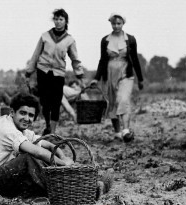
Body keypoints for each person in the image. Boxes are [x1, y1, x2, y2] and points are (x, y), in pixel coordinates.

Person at [0, 93, 74, 200]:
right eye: (23, 113)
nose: (26, 118)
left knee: (34, 167)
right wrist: (64, 164)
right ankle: (59, 192)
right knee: (27, 158)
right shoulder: (7, 129)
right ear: (12, 112)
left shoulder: (21, 130)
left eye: (31, 115)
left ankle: (53, 190)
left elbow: (50, 146)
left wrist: (63, 157)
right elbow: (38, 152)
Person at [25, 8, 84, 135]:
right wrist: (29, 72)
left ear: (65, 21)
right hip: (43, 71)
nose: (58, 22)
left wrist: (80, 75)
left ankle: (53, 131)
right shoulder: (45, 36)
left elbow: (75, 59)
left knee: (56, 102)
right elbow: (36, 54)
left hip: (58, 74)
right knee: (45, 102)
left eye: (61, 19)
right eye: (56, 19)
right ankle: (47, 125)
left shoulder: (69, 40)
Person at [91, 12, 144, 142]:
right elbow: (102, 60)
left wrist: (140, 78)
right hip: (109, 74)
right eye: (114, 23)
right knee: (112, 103)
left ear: (123, 24)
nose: (116, 26)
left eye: (119, 23)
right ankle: (117, 132)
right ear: (111, 24)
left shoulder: (130, 39)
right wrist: (96, 78)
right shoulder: (105, 40)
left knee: (123, 99)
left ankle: (126, 130)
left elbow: (135, 59)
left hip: (126, 74)